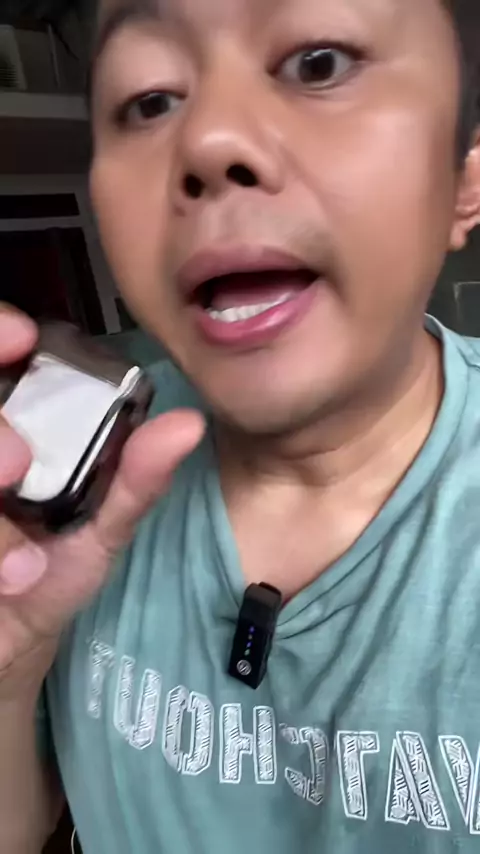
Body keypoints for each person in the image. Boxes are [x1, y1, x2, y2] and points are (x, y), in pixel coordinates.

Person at [1, 0, 480, 850]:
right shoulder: (62, 468)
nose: (209, 139)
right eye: (150, 100)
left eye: (320, 63)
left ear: (464, 184)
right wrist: (11, 672)